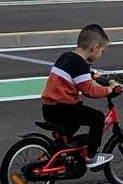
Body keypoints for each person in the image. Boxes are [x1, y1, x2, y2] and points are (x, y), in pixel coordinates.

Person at [41, 23, 118, 168]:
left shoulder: (66, 57)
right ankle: (91, 155)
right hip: (64, 109)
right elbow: (90, 91)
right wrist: (109, 89)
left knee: (75, 121)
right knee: (97, 118)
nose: (100, 54)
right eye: (101, 50)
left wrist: (92, 75)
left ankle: (59, 149)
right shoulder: (80, 65)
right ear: (94, 48)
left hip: (49, 108)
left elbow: (75, 73)